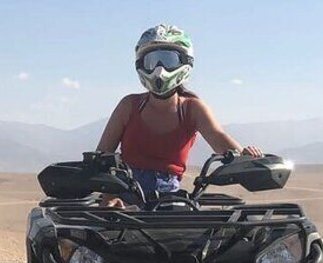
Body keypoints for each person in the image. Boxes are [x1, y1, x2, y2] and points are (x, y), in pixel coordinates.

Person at [96, 24, 262, 207]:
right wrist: (109, 198)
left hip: (170, 198)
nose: (159, 69)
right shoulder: (129, 105)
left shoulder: (192, 108)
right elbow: (101, 157)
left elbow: (220, 139)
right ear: (140, 64)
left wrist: (245, 158)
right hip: (125, 193)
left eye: (168, 60)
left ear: (184, 62)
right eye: (152, 61)